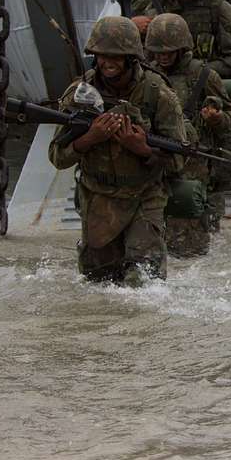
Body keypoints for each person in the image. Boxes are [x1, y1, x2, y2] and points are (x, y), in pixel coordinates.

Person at [48, 16, 186, 286]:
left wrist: (142, 148)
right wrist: (91, 137)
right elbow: (57, 156)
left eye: (116, 56)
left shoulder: (158, 94)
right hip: (97, 198)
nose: (108, 63)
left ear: (131, 58)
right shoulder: (80, 93)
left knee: (145, 282)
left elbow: (179, 161)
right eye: (102, 56)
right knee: (98, 285)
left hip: (144, 196)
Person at [145, 13, 231, 257]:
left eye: (168, 51)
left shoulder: (203, 76)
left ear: (182, 48)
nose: (163, 57)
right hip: (157, 160)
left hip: (194, 166)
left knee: (191, 248)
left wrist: (217, 118)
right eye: (158, 52)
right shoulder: (147, 76)